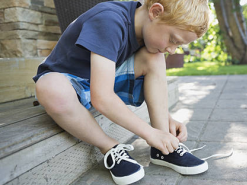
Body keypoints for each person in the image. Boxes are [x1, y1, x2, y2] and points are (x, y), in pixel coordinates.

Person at [33, 0, 210, 184]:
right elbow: (101, 98)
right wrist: (149, 133)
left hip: (101, 79)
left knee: (155, 57)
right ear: (156, 12)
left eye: (178, 45)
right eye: (173, 40)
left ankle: (163, 148)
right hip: (69, 82)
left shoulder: (148, 31)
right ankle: (111, 148)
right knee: (49, 88)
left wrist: (165, 119)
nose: (172, 50)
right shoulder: (109, 19)